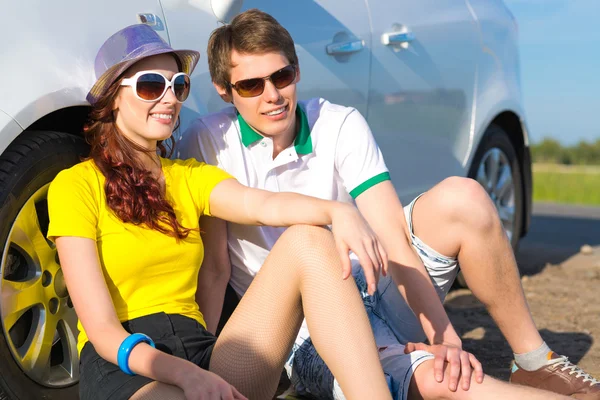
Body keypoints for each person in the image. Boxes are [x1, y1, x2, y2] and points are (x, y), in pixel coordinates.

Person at [178, 8, 599, 400]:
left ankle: (535, 361)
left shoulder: (338, 122)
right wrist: (201, 365)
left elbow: (394, 241)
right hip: (305, 323)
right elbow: (216, 268)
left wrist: (444, 336)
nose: (272, 94)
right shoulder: (207, 142)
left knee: (464, 195)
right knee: (442, 380)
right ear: (223, 91)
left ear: (297, 71)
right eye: (252, 85)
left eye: (282, 76)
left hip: (373, 283)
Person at [46, 23, 397, 400]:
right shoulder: (75, 185)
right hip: (128, 365)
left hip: (203, 353)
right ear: (114, 97)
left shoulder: (190, 177)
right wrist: (186, 376)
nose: (168, 99)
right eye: (151, 86)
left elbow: (261, 204)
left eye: (177, 85)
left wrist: (335, 212)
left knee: (308, 239)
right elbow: (101, 330)